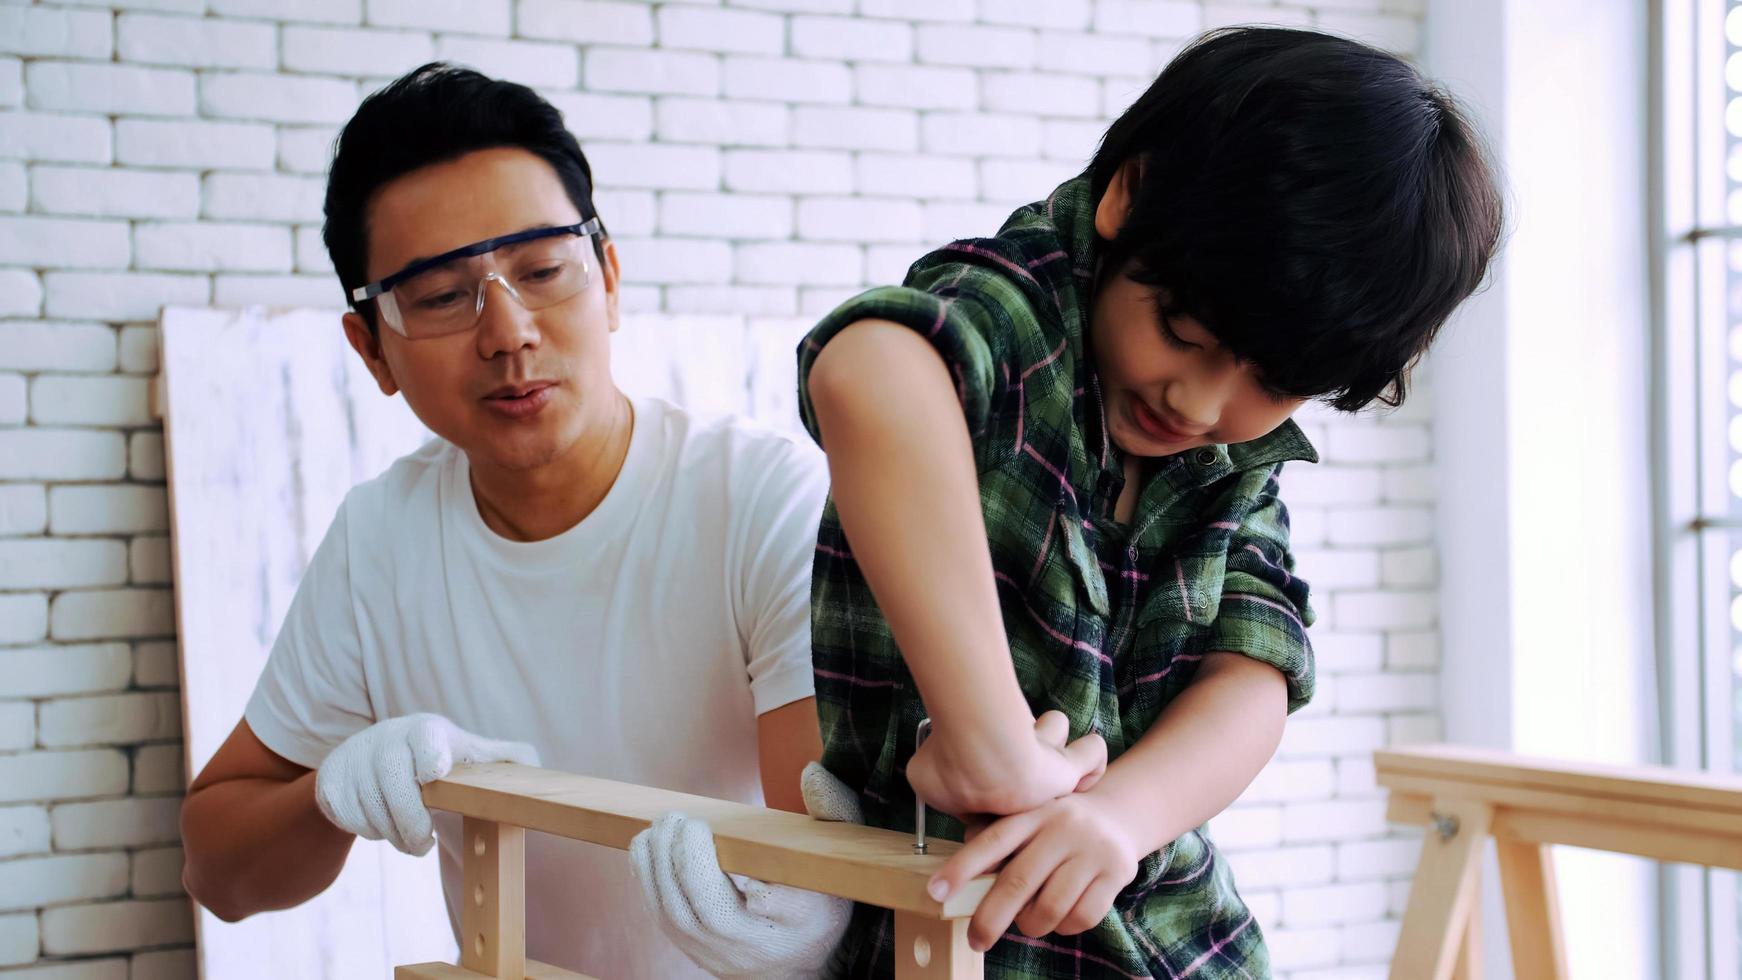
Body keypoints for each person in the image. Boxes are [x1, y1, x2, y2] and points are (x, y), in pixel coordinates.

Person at [634, 27, 1503, 978]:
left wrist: (1120, 815)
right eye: (1183, 332)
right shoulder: (1019, 314)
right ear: (1129, 196)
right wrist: (989, 739)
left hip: (1179, 936)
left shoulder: (1234, 452)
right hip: (947, 933)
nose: (1200, 403)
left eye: (1274, 381)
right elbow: (867, 366)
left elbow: (1254, 673)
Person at [178, 63, 830, 979]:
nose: (508, 331)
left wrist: (805, 926)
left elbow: (825, 857)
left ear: (607, 276)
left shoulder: (760, 500)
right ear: (373, 350)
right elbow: (220, 873)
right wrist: (328, 796)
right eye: (442, 296)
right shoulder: (381, 544)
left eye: (542, 270)